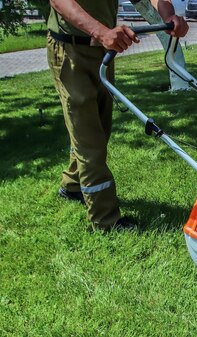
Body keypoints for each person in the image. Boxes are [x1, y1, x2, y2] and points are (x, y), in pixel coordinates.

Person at [48, 0, 188, 231]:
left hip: (102, 49)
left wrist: (169, 16)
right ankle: (105, 220)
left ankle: (72, 185)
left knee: (99, 129)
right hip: (70, 50)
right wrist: (101, 31)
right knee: (89, 140)